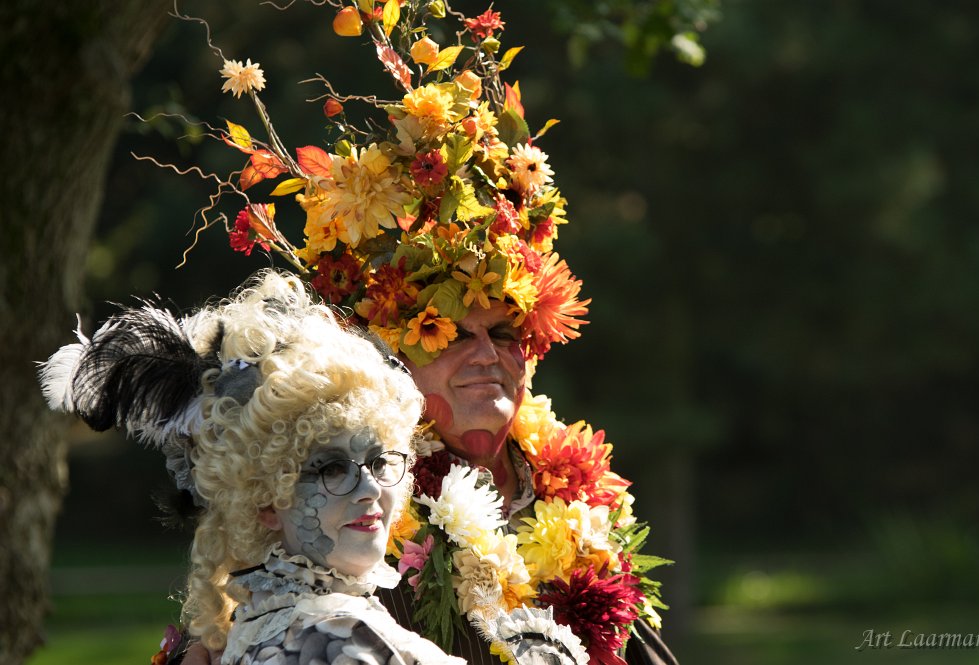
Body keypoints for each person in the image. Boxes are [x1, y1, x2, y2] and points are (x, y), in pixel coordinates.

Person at [145, 3, 680, 663]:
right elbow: (247, 600)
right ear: (388, 354)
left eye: (504, 332)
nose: (485, 355)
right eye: (449, 334)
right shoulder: (356, 495)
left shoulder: (572, 491)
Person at [39, 271, 589, 665]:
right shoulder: (342, 638)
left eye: (379, 460)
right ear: (265, 500)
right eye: (329, 469)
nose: (368, 486)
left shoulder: (266, 621)